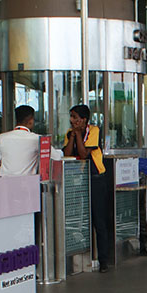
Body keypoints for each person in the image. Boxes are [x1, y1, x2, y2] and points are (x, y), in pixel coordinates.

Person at [64, 104, 112, 272]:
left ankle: (103, 259)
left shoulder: (93, 131)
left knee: (99, 219)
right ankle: (81, 255)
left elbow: (84, 153)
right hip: (78, 180)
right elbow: (67, 154)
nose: (72, 120)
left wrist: (78, 135)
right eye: (71, 117)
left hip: (96, 179)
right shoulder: (69, 133)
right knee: (81, 219)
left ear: (84, 119)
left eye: (75, 117)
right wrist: (73, 136)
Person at [0, 105, 40, 175]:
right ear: (31, 121)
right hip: (29, 181)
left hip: (5, 181)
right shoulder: (37, 139)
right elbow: (54, 156)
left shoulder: (0, 138)